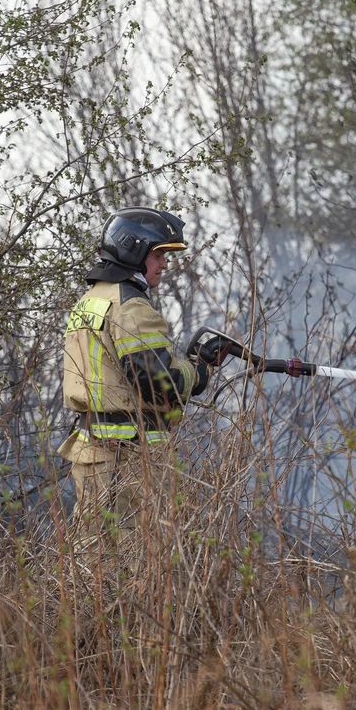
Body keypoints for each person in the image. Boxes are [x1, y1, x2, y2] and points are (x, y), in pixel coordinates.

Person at [59, 206, 229, 552]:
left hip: (93, 450)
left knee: (91, 550)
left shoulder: (90, 301)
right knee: (138, 553)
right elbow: (157, 383)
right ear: (134, 250)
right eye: (159, 254)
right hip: (130, 457)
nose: (164, 264)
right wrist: (198, 370)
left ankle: (80, 608)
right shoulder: (131, 306)